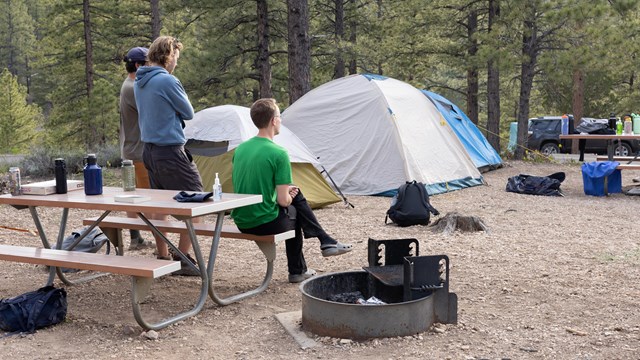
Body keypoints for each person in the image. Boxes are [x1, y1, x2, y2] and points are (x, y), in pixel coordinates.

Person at [231, 98, 352, 283]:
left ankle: (325, 242)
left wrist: (288, 192)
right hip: (262, 222)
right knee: (295, 212)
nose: (280, 120)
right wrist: (288, 195)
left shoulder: (240, 149)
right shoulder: (279, 153)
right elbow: (283, 201)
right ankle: (300, 267)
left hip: (241, 219)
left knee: (295, 195)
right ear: (273, 120)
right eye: (279, 116)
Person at [134, 36, 202, 276]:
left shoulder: (139, 81)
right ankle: (183, 259)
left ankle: (162, 254)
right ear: (168, 56)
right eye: (176, 58)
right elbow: (188, 112)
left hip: (150, 151)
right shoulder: (167, 81)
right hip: (170, 151)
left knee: (161, 206)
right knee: (197, 204)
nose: (176, 63)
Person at [118, 46, 154, 251]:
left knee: (132, 196)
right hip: (139, 152)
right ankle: (160, 241)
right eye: (148, 64)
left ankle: (135, 238)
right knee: (150, 199)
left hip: (130, 150)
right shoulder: (133, 88)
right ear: (139, 65)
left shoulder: (129, 85)